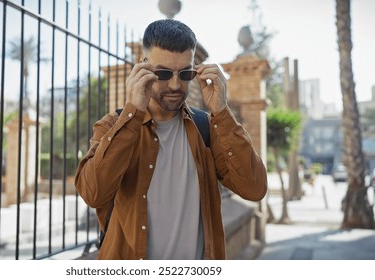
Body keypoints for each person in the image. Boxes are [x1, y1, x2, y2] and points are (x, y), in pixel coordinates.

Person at [74, 19, 267, 260]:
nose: (175, 85)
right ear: (143, 67)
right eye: (163, 73)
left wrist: (222, 112)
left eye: (185, 74)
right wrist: (133, 112)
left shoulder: (207, 128)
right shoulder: (112, 127)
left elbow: (254, 188)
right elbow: (93, 193)